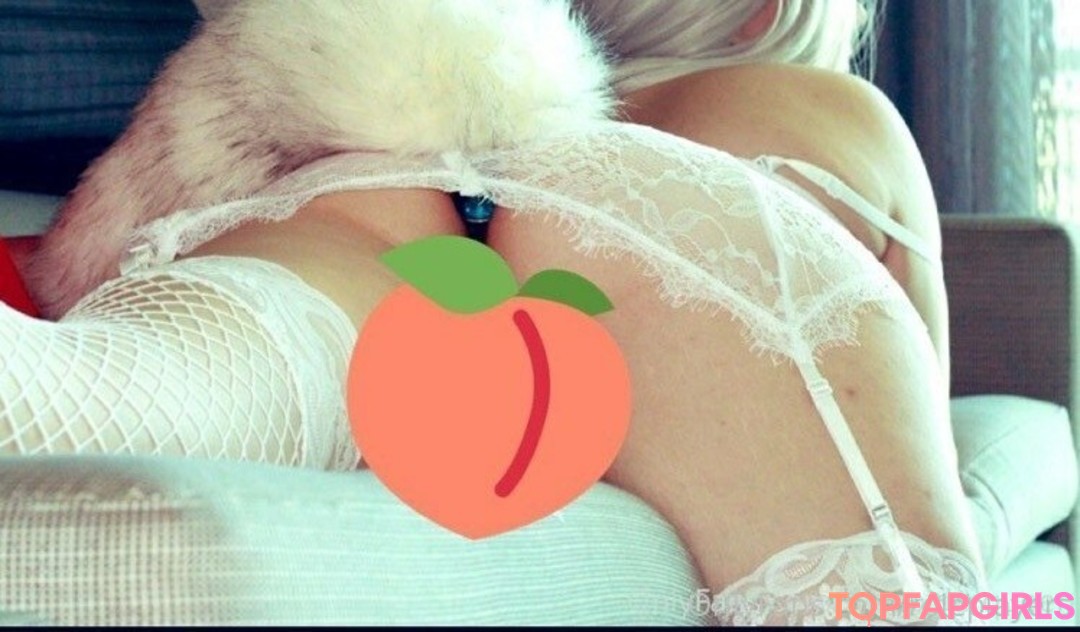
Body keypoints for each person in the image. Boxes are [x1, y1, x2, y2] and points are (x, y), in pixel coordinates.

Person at [0, 0, 983, 624]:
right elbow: (919, 397)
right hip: (653, 222)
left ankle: (66, 386)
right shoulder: (820, 109)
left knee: (194, 359)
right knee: (883, 595)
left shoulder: (454, 94)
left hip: (405, 186)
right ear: (772, 12)